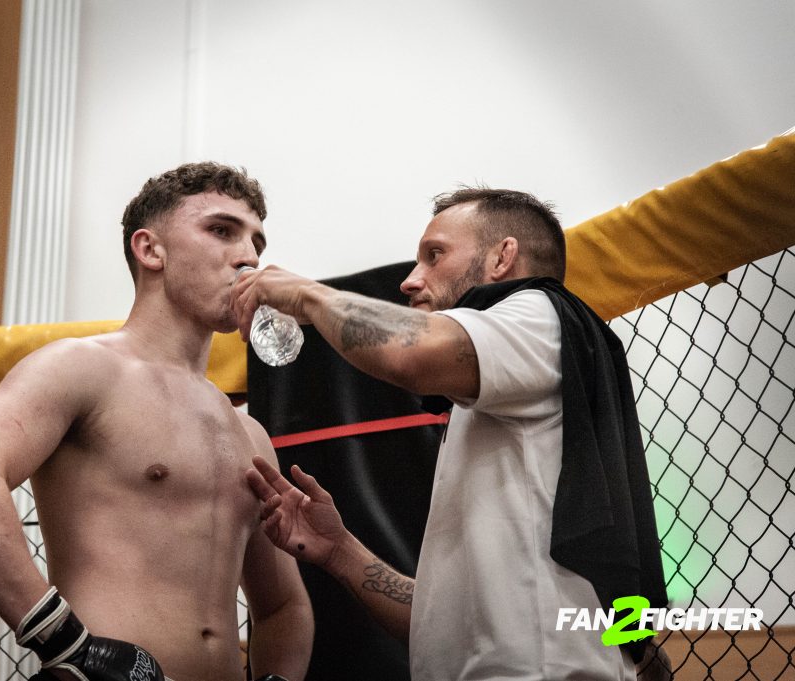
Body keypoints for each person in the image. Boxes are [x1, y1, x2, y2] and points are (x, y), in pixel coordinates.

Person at [232, 187, 670, 681]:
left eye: (434, 255)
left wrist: (307, 295)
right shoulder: (495, 410)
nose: (410, 281)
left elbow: (411, 354)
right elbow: (442, 628)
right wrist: (340, 551)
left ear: (503, 256)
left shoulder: (537, 313)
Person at [0, 162, 313, 681]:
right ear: (151, 250)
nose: (248, 257)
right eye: (222, 231)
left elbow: (284, 606)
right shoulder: (81, 367)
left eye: (257, 244)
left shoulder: (248, 433)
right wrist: (70, 648)